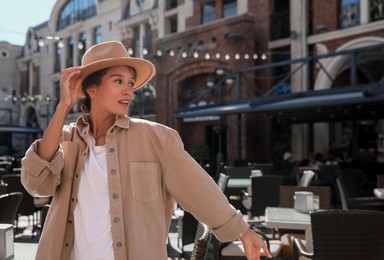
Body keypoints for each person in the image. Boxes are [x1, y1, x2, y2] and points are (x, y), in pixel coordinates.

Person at [21, 41, 271, 260]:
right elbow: (36, 184)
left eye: (130, 83)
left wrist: (243, 231)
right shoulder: (67, 139)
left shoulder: (157, 139)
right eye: (118, 81)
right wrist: (63, 106)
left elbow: (198, 188)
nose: (128, 90)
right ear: (92, 89)